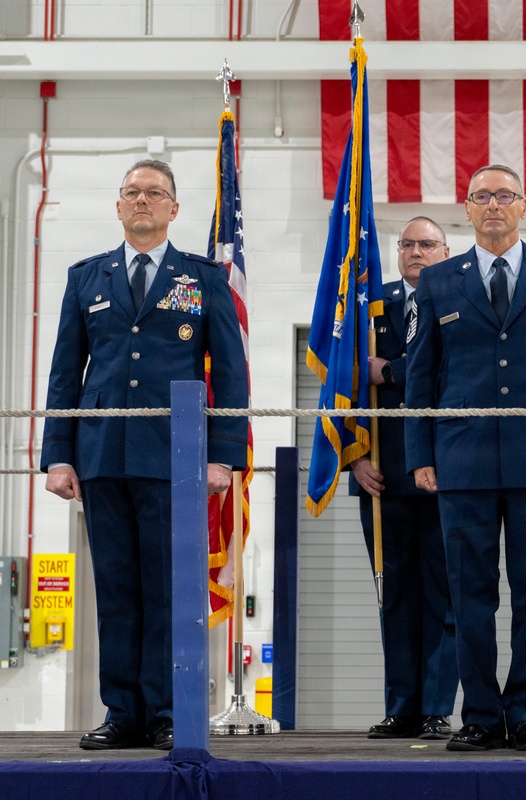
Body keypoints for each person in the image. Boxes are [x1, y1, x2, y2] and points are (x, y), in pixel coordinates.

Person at [41, 159, 249, 751]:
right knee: (115, 588)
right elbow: (64, 373)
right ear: (117, 206)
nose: (142, 201)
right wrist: (59, 454)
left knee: (166, 588)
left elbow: (230, 376)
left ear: (174, 209)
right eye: (131, 192)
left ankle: (164, 710)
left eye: (154, 193)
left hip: (174, 457)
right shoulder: (86, 278)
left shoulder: (202, 278)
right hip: (102, 454)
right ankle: (122, 711)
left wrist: (224, 457)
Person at [405, 165, 526, 752]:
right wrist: (421, 454)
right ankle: (482, 717)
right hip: (460, 460)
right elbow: (420, 379)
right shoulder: (438, 282)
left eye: (505, 195)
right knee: (469, 594)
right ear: (467, 209)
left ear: (525, 205)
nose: (494, 205)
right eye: (482, 196)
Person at [348, 216, 459, 741]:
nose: (416, 252)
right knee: (394, 594)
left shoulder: (462, 298)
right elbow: (341, 381)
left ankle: (438, 706)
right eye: (408, 244)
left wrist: (388, 371)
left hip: (446, 470)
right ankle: (402, 706)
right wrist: (354, 456)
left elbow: (450, 370)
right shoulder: (371, 306)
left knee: (445, 592)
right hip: (383, 472)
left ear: (446, 250)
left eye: (427, 244)